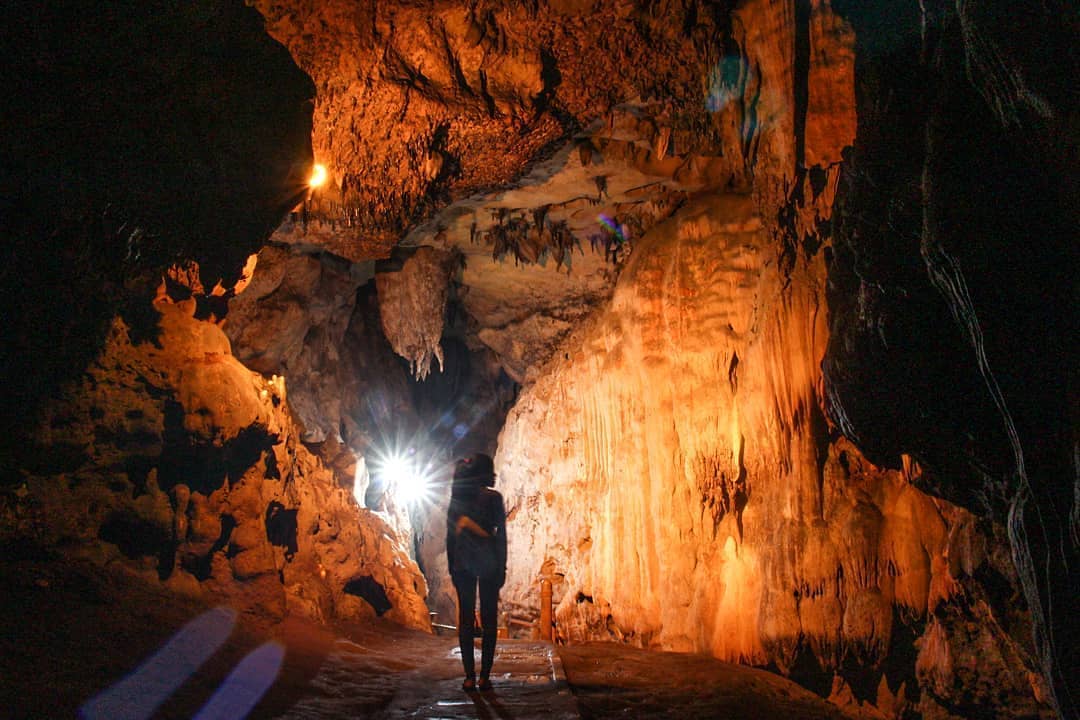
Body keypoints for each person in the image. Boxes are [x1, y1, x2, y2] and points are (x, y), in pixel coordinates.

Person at [446, 453, 507, 692]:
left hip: (463, 564)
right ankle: (485, 677)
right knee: (489, 619)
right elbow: (500, 536)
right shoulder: (494, 498)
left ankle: (469, 676)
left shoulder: (457, 499)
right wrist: (502, 566)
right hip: (489, 563)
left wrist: (452, 566)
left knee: (466, 621)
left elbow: (450, 537)